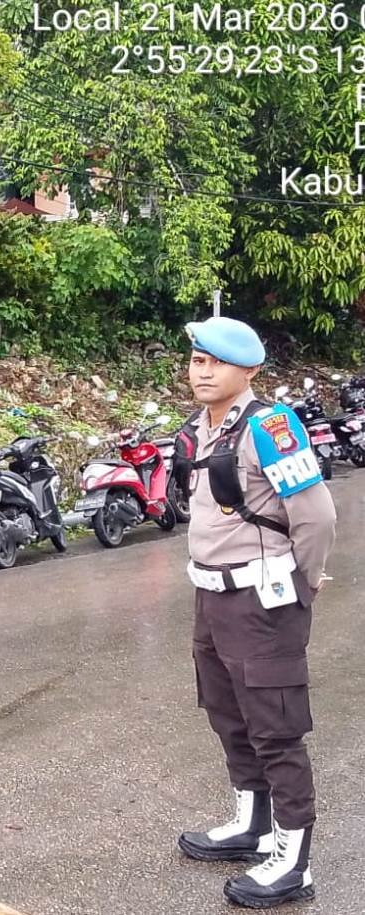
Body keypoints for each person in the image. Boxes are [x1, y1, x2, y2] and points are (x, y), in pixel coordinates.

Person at [171, 317, 336, 909]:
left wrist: (303, 585)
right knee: (228, 715)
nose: (203, 371)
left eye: (216, 362)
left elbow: (316, 517)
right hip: (212, 597)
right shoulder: (200, 428)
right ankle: (253, 826)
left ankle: (293, 862)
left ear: (249, 371)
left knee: (276, 729)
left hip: (263, 602)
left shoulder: (271, 427)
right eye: (197, 360)